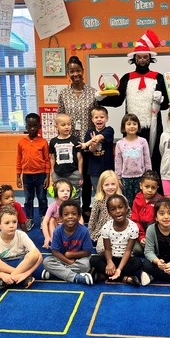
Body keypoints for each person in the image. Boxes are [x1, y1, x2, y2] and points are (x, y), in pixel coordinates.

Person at [99, 30, 169, 171]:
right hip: (132, 126)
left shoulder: (159, 77)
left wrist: (160, 99)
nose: (142, 60)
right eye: (139, 57)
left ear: (150, 59)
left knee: (154, 157)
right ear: (134, 59)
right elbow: (117, 101)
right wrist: (100, 100)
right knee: (131, 156)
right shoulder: (127, 78)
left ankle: (153, 186)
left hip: (153, 126)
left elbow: (166, 104)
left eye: (145, 57)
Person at [58, 55, 98, 217]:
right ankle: (71, 206)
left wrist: (95, 140)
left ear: (83, 71)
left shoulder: (93, 93)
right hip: (70, 143)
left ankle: (86, 207)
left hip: (88, 142)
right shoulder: (63, 94)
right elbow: (60, 117)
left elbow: (98, 117)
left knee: (86, 178)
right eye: (71, 71)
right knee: (71, 176)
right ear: (68, 73)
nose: (75, 74)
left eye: (78, 70)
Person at [0, 205, 43, 295]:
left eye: (14, 222)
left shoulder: (21, 235)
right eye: (7, 223)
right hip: (3, 266)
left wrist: (26, 273)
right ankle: (16, 278)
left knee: (34, 254)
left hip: (22, 263)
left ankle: (4, 282)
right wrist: (2, 275)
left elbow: (39, 256)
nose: (11, 226)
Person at [90, 194, 142, 286]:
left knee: (138, 263)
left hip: (125, 260)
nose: (117, 211)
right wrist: (109, 262)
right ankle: (125, 278)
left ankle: (105, 275)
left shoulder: (133, 227)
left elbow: (128, 251)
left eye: (120, 207)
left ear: (126, 208)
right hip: (111, 257)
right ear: (109, 212)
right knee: (93, 260)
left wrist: (119, 269)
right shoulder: (106, 227)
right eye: (113, 209)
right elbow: (107, 249)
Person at [41, 200, 94, 285]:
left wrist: (71, 255)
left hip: (79, 259)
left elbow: (87, 252)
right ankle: (76, 278)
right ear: (60, 218)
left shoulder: (84, 231)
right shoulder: (57, 231)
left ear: (79, 216)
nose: (70, 217)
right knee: (46, 261)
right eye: (66, 214)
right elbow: (54, 252)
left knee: (85, 266)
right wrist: (68, 261)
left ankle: (55, 273)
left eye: (74, 214)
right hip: (62, 259)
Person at [16, 112, 50, 230]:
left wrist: (47, 176)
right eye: (29, 126)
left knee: (42, 198)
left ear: (39, 127)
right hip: (27, 176)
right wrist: (18, 176)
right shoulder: (21, 142)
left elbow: (47, 160)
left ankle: (43, 218)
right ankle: (29, 218)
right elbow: (18, 159)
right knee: (28, 199)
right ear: (26, 126)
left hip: (41, 175)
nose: (32, 128)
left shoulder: (43, 142)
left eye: (35, 126)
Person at [115, 113, 152, 207]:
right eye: (129, 124)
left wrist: (148, 175)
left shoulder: (142, 141)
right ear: (124, 126)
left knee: (140, 200)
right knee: (127, 201)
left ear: (138, 126)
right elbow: (118, 161)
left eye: (134, 124)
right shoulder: (120, 143)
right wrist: (118, 177)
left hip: (140, 176)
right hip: (125, 178)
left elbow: (147, 159)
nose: (132, 126)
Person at [49, 113, 83, 202]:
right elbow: (52, 158)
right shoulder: (53, 141)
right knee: (60, 197)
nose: (67, 127)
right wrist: (52, 173)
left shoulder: (75, 140)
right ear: (56, 127)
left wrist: (80, 173)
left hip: (73, 173)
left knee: (75, 197)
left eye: (69, 124)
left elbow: (79, 158)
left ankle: (76, 214)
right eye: (63, 125)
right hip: (58, 174)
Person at [88, 170, 124, 254]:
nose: (110, 187)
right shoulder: (98, 200)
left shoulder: (122, 199)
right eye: (107, 185)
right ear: (102, 186)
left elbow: (128, 214)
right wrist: (91, 232)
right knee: (101, 249)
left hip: (119, 229)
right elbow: (93, 217)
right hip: (103, 231)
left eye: (113, 184)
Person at [79, 106, 114, 191]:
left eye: (102, 117)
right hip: (94, 169)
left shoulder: (109, 130)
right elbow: (91, 150)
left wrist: (86, 143)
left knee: (109, 191)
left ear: (107, 119)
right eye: (96, 117)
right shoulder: (89, 132)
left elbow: (99, 137)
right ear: (92, 120)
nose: (99, 119)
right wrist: (93, 145)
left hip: (107, 169)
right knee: (98, 192)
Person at [131, 170, 163, 257]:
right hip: (140, 234)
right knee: (136, 250)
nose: (149, 190)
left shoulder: (160, 201)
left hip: (155, 234)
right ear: (141, 185)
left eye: (153, 188)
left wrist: (151, 238)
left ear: (157, 188)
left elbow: (161, 222)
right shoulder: (137, 200)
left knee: (160, 250)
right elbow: (135, 221)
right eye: (147, 186)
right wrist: (141, 237)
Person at [41, 179, 80, 249]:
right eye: (62, 191)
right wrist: (47, 237)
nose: (66, 193)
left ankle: (72, 238)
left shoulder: (73, 205)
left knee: (75, 219)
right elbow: (44, 222)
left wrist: (79, 234)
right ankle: (54, 240)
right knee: (51, 220)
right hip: (57, 229)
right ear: (55, 193)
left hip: (69, 227)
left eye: (68, 191)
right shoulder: (53, 206)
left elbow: (80, 219)